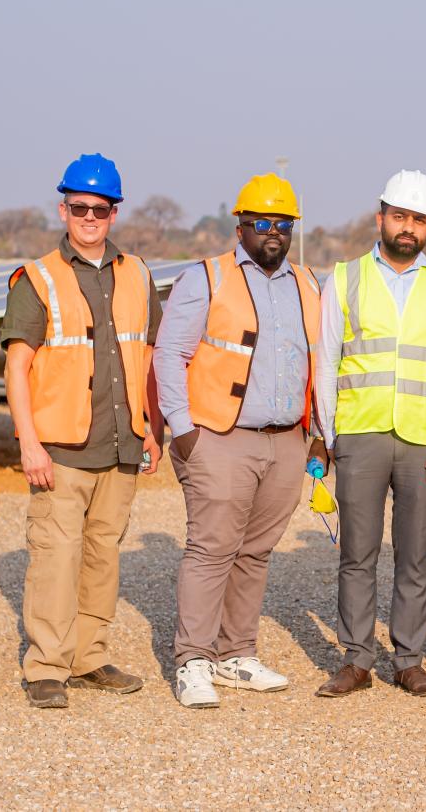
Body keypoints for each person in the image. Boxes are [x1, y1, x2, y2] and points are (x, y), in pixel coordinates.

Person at [153, 173, 324, 710]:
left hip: (286, 440)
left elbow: (318, 364)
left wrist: (318, 434)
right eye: (262, 222)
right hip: (219, 437)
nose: (273, 232)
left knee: (255, 553)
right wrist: (183, 430)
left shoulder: (308, 284)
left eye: (283, 223)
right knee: (211, 549)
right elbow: (169, 354)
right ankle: (193, 660)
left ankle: (237, 653)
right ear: (242, 225)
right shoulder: (206, 278)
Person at [2, 153, 162, 709]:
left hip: (121, 446)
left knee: (102, 555)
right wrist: (27, 443)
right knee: (54, 555)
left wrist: (153, 430)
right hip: (61, 449)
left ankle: (89, 656)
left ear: (114, 212)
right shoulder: (37, 277)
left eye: (99, 208)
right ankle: (46, 664)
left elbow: (149, 357)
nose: (88, 217)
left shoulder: (138, 274)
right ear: (63, 208)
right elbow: (16, 367)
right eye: (78, 207)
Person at [315, 169, 426, 698]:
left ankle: (409, 660)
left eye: (419, 220)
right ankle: (358, 659)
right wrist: (326, 434)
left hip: (424, 441)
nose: (408, 228)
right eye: (400, 216)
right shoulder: (344, 278)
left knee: (415, 554)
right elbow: (325, 361)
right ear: (381, 215)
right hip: (359, 434)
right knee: (356, 555)